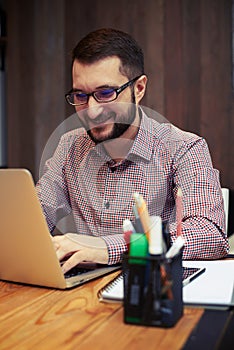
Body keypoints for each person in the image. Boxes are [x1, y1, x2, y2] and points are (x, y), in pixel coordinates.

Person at [36, 28, 229, 274]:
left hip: (150, 293)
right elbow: (35, 219)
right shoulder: (69, 146)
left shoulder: (183, 147)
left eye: (106, 93)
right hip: (78, 292)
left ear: (138, 88)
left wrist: (108, 248)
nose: (91, 111)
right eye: (80, 95)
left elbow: (209, 235)